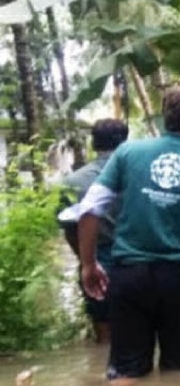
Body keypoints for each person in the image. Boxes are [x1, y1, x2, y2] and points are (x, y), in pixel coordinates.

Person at [76, 85, 180, 382]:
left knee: (125, 374)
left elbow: (89, 210)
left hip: (129, 277)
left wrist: (88, 264)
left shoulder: (128, 152)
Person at [57, 118, 128, 344]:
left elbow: (69, 229)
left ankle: (102, 374)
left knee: (104, 331)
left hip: (96, 257)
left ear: (94, 143)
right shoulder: (139, 175)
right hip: (138, 258)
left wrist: (86, 261)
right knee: (141, 328)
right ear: (125, 141)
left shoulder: (72, 182)